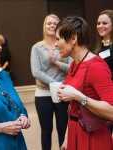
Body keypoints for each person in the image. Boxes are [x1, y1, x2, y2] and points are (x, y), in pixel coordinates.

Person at [55, 16, 113, 150]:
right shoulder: (74, 65)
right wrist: (67, 138)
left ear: (73, 39)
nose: (56, 44)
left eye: (58, 39)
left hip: (93, 136)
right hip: (76, 131)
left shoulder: (96, 66)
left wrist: (79, 96)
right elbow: (73, 108)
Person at [30, 14, 72, 150]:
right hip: (43, 95)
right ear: (44, 26)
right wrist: (55, 83)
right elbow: (36, 72)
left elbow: (71, 69)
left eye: (55, 23)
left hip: (62, 94)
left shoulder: (65, 46)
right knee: (46, 132)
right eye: (49, 23)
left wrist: (56, 62)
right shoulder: (36, 47)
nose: (52, 25)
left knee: (63, 131)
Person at [95, 9, 113, 137]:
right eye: (98, 23)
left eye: (104, 23)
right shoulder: (98, 48)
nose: (100, 26)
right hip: (102, 97)